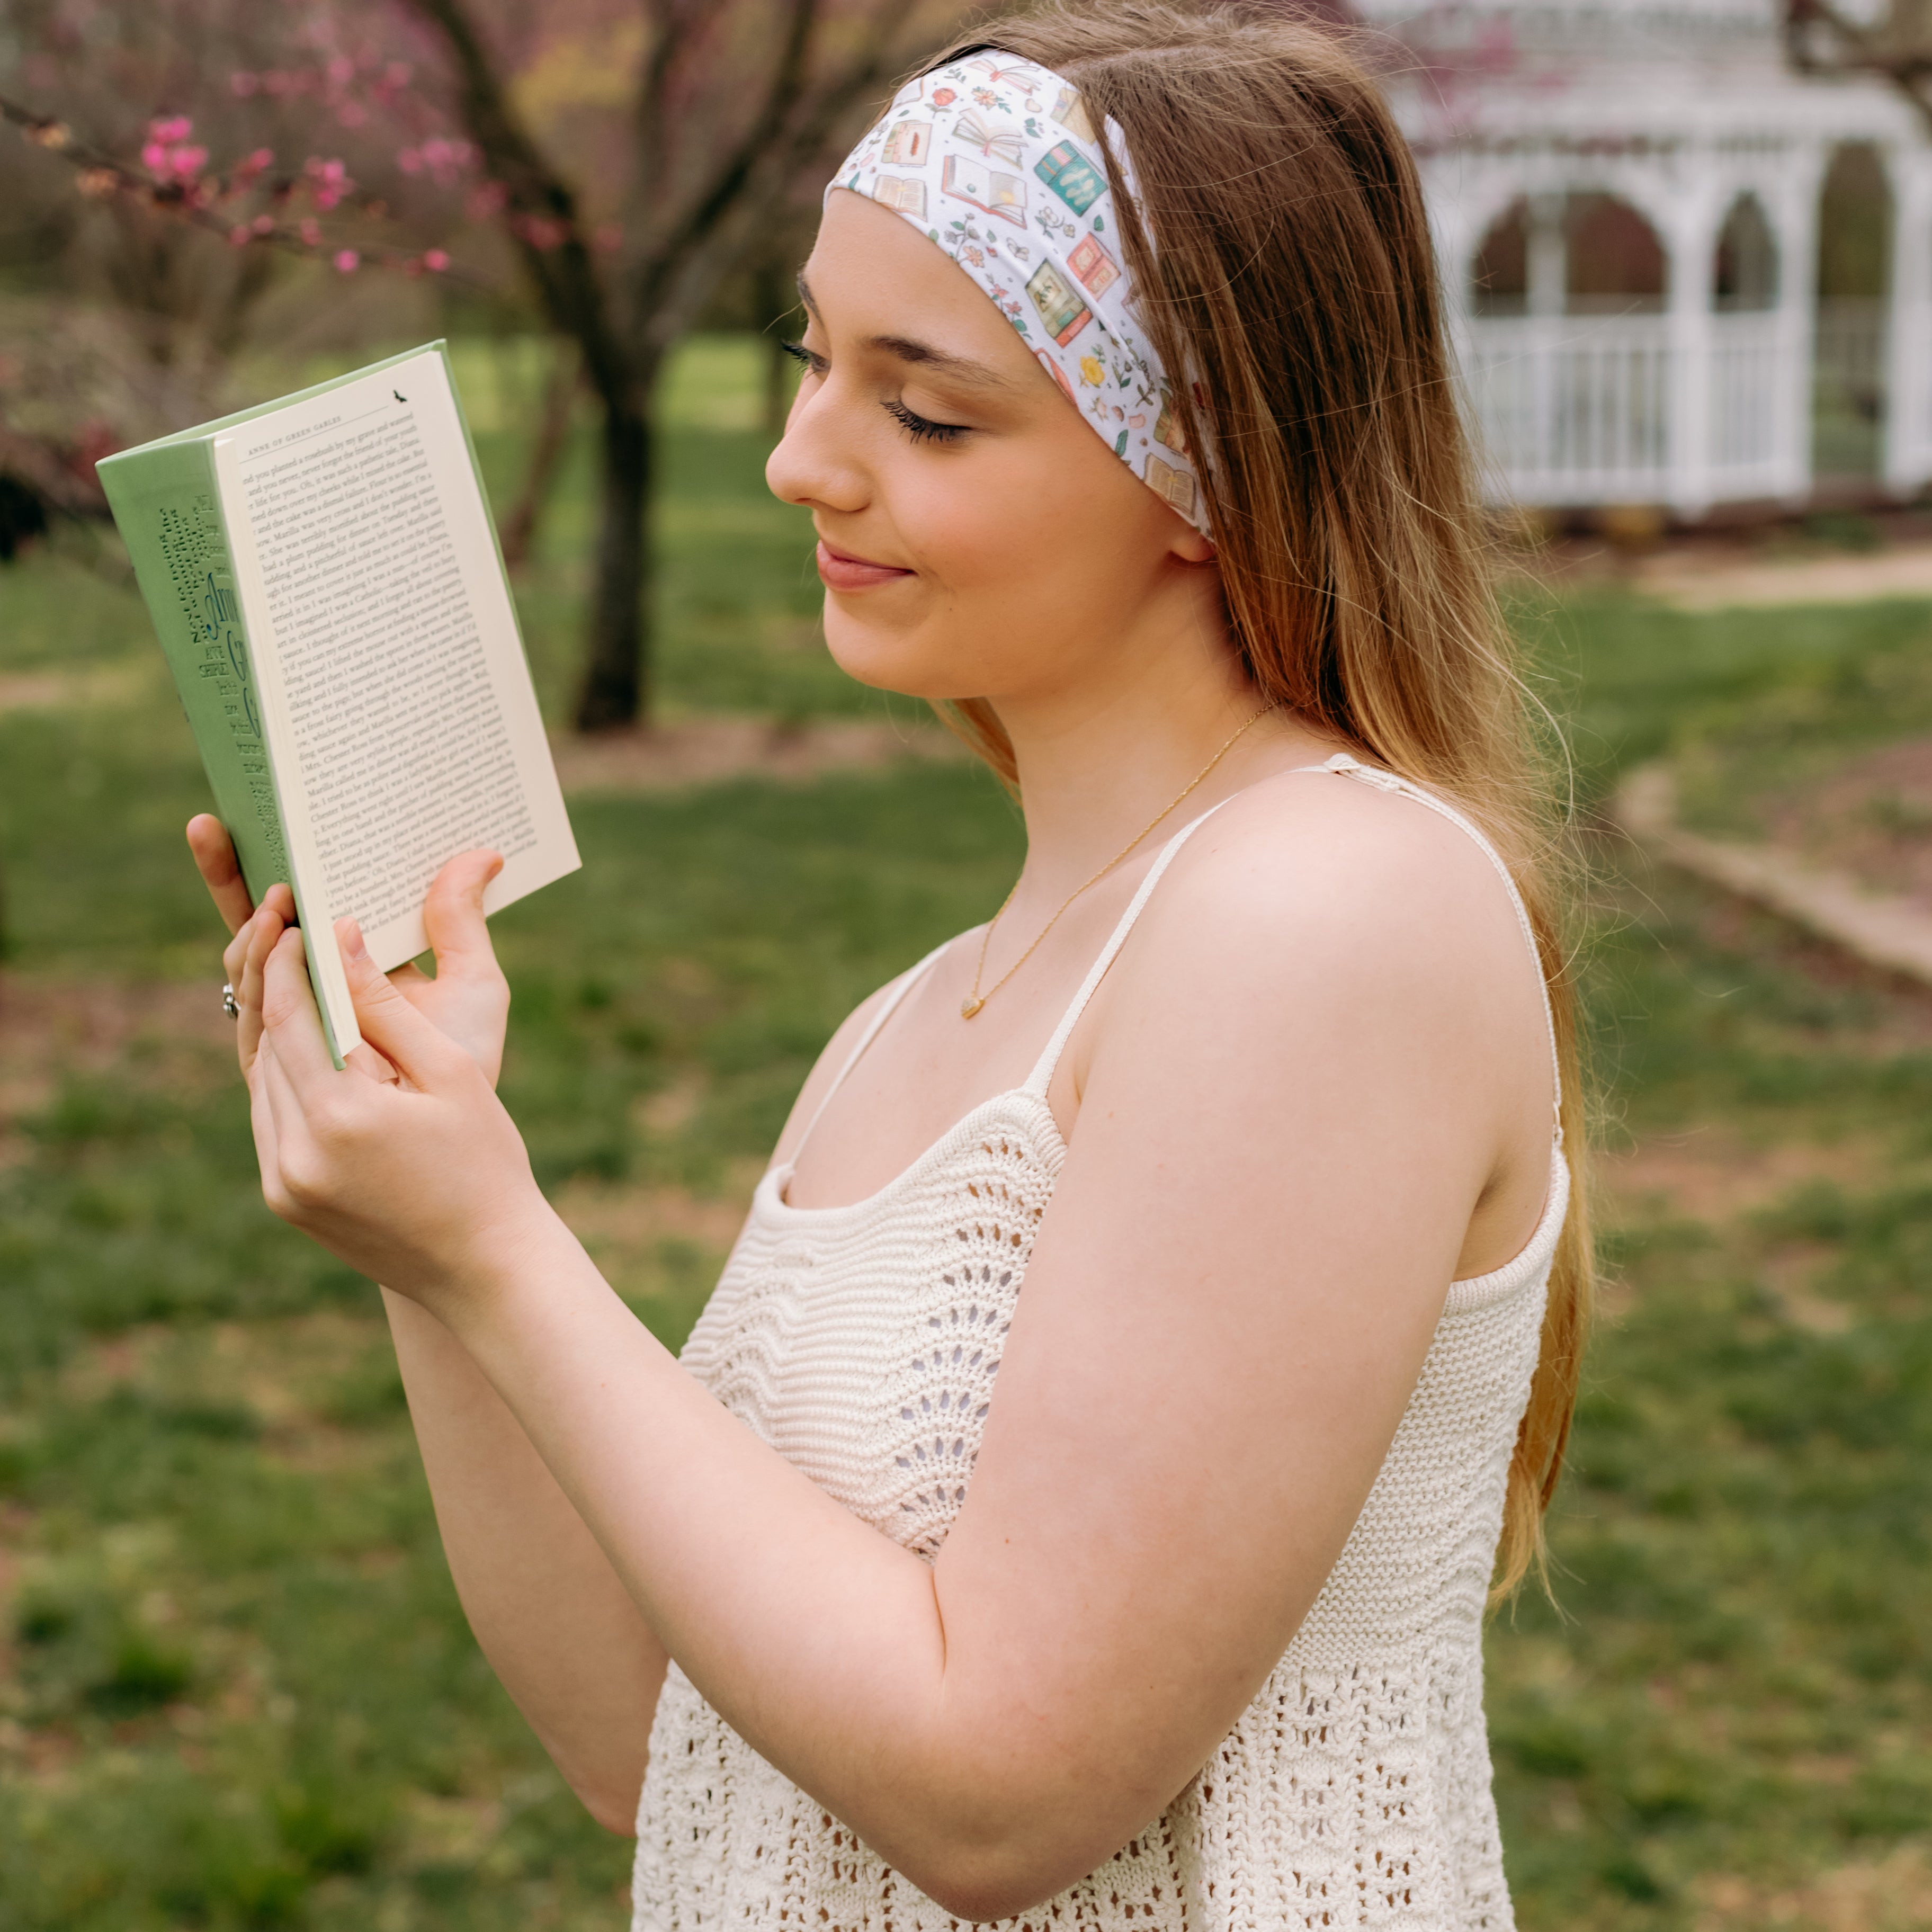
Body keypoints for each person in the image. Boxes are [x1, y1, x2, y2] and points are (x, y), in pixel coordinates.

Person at [187, 5, 1591, 1925]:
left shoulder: (1330, 910)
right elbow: (652, 1734)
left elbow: (1002, 1793)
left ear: (1202, 473)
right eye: (812, 362)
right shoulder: (911, 1022)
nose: (797, 461)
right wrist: (427, 1218)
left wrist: (506, 1246)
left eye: (924, 409)